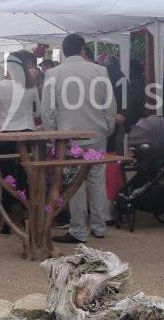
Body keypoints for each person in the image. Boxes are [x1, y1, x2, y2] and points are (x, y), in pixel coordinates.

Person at [41, 33, 116, 244]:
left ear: (64, 51)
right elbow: (110, 104)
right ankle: (100, 226)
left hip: (68, 136)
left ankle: (78, 229)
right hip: (97, 133)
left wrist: (52, 134)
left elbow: (47, 109)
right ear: (83, 49)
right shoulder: (100, 70)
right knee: (97, 179)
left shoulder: (53, 73)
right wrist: (109, 127)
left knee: (75, 182)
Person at [0, 51, 40, 234]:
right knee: (25, 174)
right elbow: (38, 112)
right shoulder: (31, 86)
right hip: (27, 130)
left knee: (6, 175)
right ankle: (27, 214)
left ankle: (6, 220)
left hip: (6, 131)